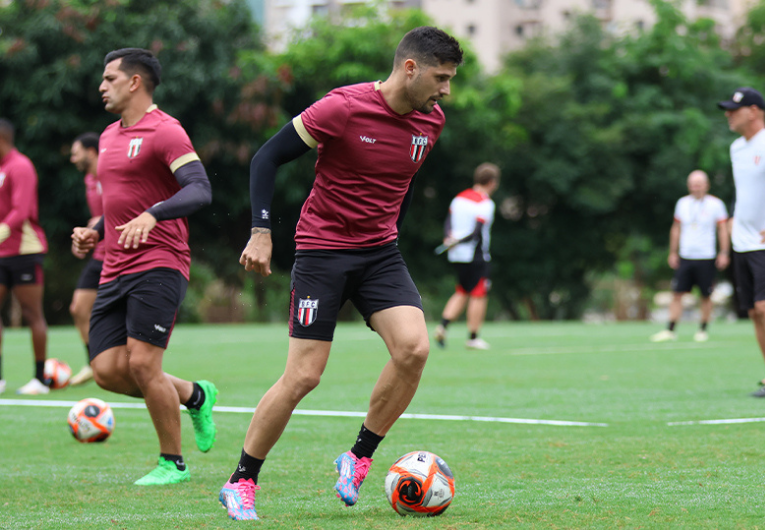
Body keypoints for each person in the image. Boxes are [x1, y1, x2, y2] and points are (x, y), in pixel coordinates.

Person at [218, 26, 463, 521]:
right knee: (304, 375)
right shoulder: (342, 107)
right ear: (409, 68)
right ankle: (241, 481)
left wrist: (392, 230)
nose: (446, 90)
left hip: (379, 254)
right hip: (322, 254)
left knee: (414, 348)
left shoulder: (430, 122)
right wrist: (261, 231)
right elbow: (266, 158)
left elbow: (404, 182)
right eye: (440, 77)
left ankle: (358, 457)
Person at [71, 48, 217, 484]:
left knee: (142, 364)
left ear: (135, 82)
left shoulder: (166, 131)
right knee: (106, 371)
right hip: (113, 267)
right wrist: (95, 230)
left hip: (160, 262)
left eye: (110, 78)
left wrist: (154, 214)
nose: (102, 86)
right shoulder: (106, 137)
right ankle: (195, 395)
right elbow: (120, 204)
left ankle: (172, 463)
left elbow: (199, 190)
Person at [717, 87, 765, 397]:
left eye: (735, 109)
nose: (728, 114)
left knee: (764, 306)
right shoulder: (736, 148)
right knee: (755, 312)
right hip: (742, 242)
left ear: (755, 111)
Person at [649, 170, 729, 343]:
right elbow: (676, 228)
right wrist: (673, 252)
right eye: (693, 184)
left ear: (706, 185)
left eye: (699, 184)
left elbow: (722, 229)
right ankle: (670, 330)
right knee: (677, 293)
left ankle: (703, 329)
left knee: (705, 295)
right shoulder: (682, 203)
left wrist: (724, 252)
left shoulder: (716, 204)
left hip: (706, 256)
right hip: (686, 256)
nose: (696, 187)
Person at [0, 118, 49, 396]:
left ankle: (40, 379)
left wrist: (3, 231)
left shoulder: (21, 166)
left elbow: (21, 210)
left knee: (32, 314)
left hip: (25, 250)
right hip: (1, 251)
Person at [434, 162, 500, 350]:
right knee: (479, 294)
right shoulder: (485, 203)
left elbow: (448, 223)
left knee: (462, 291)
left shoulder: (459, 198)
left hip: (456, 255)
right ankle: (473, 337)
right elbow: (476, 233)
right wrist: (461, 241)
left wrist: (450, 239)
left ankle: (443, 326)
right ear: (492, 182)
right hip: (476, 255)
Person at [68, 132, 104, 386]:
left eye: (75, 152)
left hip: (122, 254)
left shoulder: (109, 171)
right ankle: (93, 363)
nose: (72, 158)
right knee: (78, 308)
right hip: (101, 253)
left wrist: (100, 222)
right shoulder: (89, 180)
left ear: (91, 151)